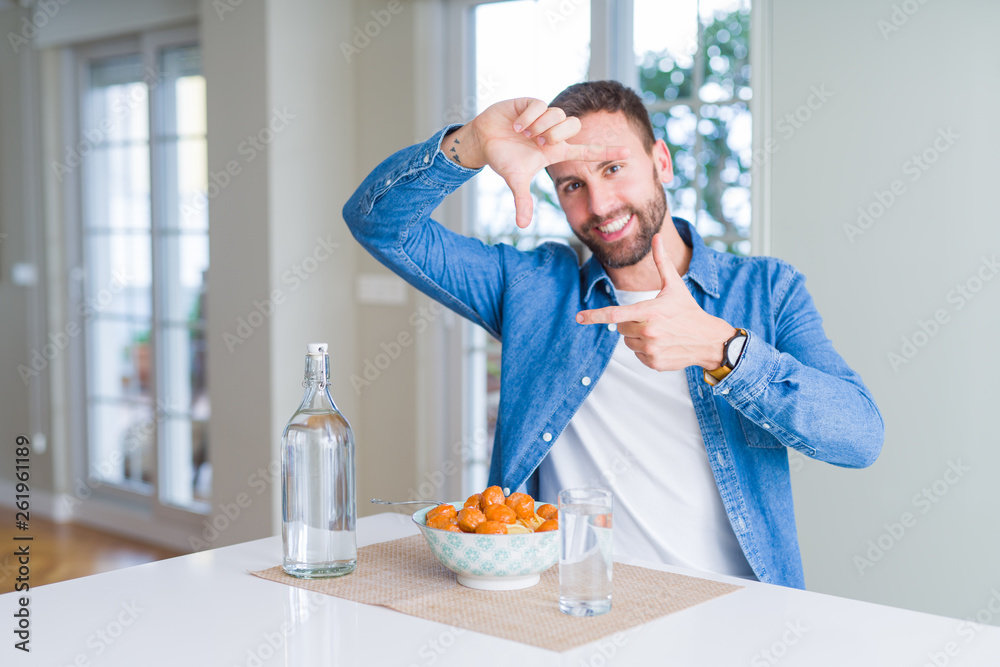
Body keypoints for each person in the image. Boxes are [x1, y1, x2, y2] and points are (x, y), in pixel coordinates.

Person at [343, 80, 883, 588]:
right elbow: (378, 224)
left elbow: (859, 437)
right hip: (573, 604)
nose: (598, 206)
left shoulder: (767, 290)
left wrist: (725, 351)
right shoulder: (533, 290)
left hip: (731, 613)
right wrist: (470, 144)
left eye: (613, 168)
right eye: (573, 184)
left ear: (661, 162)